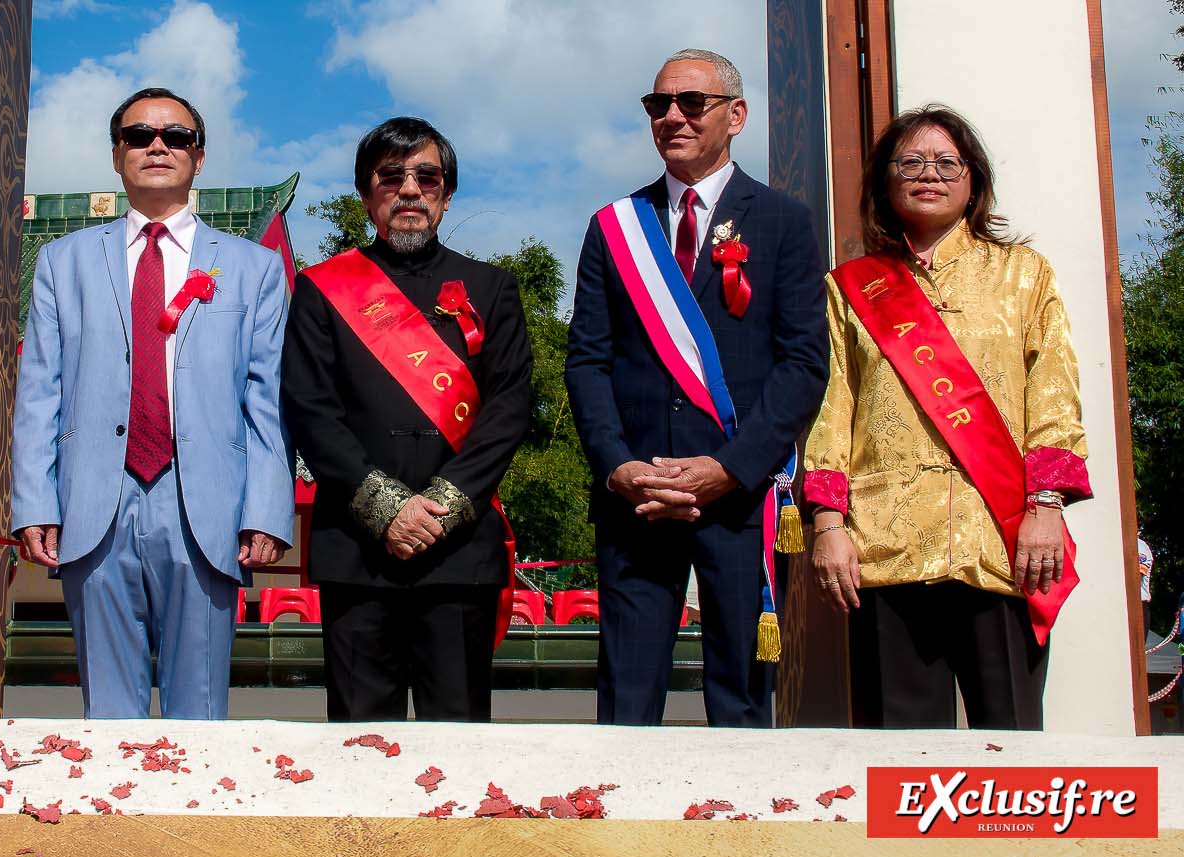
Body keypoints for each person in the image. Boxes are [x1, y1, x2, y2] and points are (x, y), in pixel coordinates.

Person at [804, 104, 1090, 730]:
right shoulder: (849, 288)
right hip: (886, 547)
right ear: (885, 180)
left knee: (1010, 751)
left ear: (973, 180)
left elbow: (1055, 395)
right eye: (910, 162)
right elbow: (831, 411)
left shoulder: (1023, 275)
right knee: (900, 763)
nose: (928, 174)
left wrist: (1045, 509)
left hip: (1003, 543)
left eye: (945, 163)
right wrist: (827, 524)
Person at [11, 87, 293, 720]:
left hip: (205, 506)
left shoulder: (253, 268)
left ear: (200, 156)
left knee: (200, 717)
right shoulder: (64, 261)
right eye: (138, 135)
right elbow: (40, 390)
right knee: (108, 719)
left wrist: (269, 509)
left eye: (176, 136)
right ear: (117, 155)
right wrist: (34, 498)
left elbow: (266, 397)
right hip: (95, 503)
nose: (157, 146)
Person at [565, 49, 828, 728]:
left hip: (739, 500)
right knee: (626, 701)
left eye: (691, 103)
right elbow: (587, 363)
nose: (672, 117)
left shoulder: (783, 222)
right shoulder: (614, 227)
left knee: (741, 702)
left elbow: (803, 365)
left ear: (736, 116)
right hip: (638, 498)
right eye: (659, 105)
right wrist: (619, 466)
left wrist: (730, 469)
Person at [283, 117, 532, 722]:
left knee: (460, 744)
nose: (410, 190)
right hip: (359, 551)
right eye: (391, 177)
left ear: (446, 196)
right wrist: (387, 508)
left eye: (427, 177)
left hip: (460, 553)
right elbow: (309, 407)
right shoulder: (322, 288)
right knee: (360, 749)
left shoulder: (492, 288)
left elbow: (509, 407)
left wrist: (441, 506)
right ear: (368, 195)